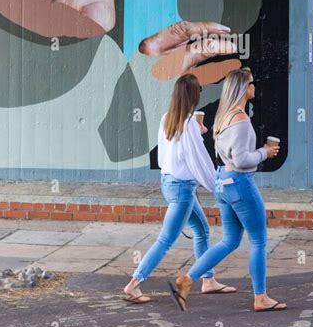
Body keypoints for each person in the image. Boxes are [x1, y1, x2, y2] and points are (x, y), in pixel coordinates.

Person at [171, 67, 287, 313]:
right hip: (240, 182)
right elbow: (243, 159)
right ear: (244, 89)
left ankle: (188, 279)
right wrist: (265, 152)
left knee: (230, 240)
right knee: (258, 240)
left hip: (222, 181)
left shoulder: (223, 116)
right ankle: (261, 297)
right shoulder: (242, 121)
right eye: (252, 83)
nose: (255, 86)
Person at [123, 73, 237, 303]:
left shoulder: (169, 118)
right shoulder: (188, 125)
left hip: (170, 183)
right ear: (194, 95)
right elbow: (199, 161)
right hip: (182, 190)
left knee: (202, 231)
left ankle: (209, 280)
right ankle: (134, 284)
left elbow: (172, 153)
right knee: (165, 240)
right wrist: (217, 188)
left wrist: (198, 133)